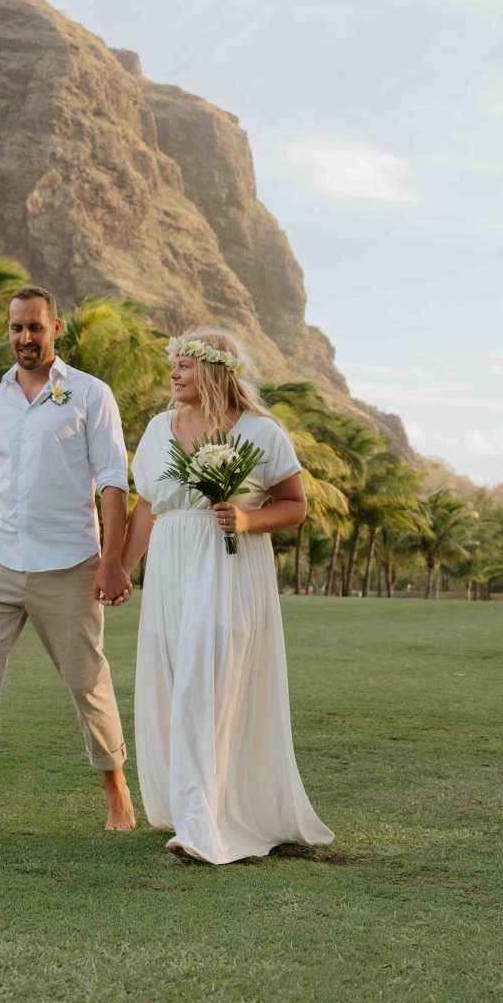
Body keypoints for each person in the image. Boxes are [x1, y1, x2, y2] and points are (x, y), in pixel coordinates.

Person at [0, 286, 136, 844]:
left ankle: (115, 785)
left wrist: (112, 561)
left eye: (35, 327)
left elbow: (113, 480)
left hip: (69, 562)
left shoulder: (90, 393)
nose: (25, 337)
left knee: (87, 680)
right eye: (16, 328)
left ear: (55, 328)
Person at [117, 328, 333, 863]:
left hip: (229, 569)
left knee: (204, 682)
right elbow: (147, 506)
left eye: (185, 365)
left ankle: (200, 827)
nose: (174, 373)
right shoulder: (157, 428)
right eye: (173, 364)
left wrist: (247, 519)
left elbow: (295, 505)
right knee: (173, 681)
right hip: (171, 568)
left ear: (214, 370)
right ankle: (193, 804)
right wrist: (119, 569)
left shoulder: (261, 431)